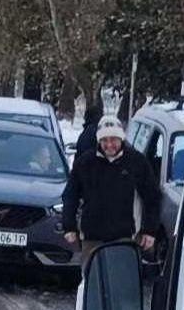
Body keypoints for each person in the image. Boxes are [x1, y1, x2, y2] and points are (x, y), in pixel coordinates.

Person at [62, 115, 160, 269]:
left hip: (125, 237)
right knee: (92, 281)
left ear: (121, 139)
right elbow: (70, 195)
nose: (109, 145)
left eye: (113, 140)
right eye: (104, 140)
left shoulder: (136, 162)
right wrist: (69, 226)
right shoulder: (85, 162)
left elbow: (152, 198)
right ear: (98, 140)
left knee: (121, 283)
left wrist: (150, 230)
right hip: (92, 237)